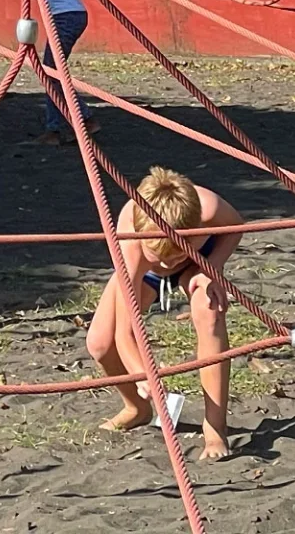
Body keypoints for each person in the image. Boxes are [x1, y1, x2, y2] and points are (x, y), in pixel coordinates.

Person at [86, 166, 244, 461]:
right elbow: (125, 331)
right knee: (99, 343)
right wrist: (145, 376)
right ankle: (137, 408)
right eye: (163, 255)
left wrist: (213, 269)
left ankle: (215, 428)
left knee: (209, 310)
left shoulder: (207, 205)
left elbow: (235, 227)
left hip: (198, 263)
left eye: (176, 252)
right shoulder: (130, 239)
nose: (170, 261)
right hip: (145, 273)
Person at [32, 0, 95, 144]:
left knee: (51, 72)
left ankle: (61, 127)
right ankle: (76, 121)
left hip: (65, 16)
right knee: (53, 72)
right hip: (70, 14)